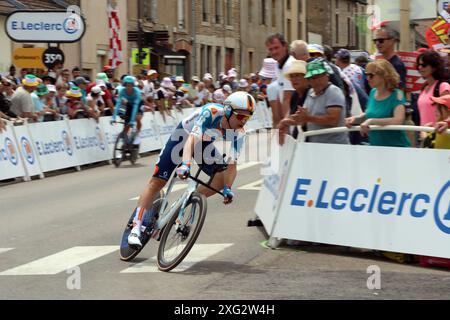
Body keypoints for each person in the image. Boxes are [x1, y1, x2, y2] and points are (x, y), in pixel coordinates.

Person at [126, 91, 256, 247]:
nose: (244, 121)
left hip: (203, 144)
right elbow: (191, 140)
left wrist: (228, 188)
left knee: (221, 179)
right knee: (157, 182)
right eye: (241, 116)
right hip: (183, 137)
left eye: (248, 117)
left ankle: (187, 201)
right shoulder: (212, 112)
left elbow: (232, 165)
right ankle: (136, 228)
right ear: (228, 111)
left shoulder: (239, 133)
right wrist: (185, 165)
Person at [278, 59, 349, 145]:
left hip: (335, 146)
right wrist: (285, 122)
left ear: (326, 76)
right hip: (315, 146)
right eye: (311, 78)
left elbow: (333, 120)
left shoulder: (333, 92)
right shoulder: (310, 93)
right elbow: (303, 119)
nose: (315, 81)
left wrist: (307, 118)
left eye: (318, 76)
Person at [345, 59, 410, 147]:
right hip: (376, 147)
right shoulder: (373, 92)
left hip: (396, 147)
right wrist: (354, 119)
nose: (367, 79)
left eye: (371, 75)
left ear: (384, 76)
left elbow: (398, 120)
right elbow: (370, 114)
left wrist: (371, 121)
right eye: (366, 75)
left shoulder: (397, 94)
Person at [266, 33, 296, 127]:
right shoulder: (278, 65)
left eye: (276, 48)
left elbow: (288, 99)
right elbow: (280, 96)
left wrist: (285, 125)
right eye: (271, 49)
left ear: (285, 46)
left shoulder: (290, 65)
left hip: (293, 118)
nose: (274, 52)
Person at [416, 50, 450, 128]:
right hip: (424, 135)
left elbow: (447, 113)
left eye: (424, 65)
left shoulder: (443, 86)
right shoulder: (424, 88)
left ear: (434, 67)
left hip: (438, 135)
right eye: (418, 65)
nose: (420, 67)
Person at [112, 76, 143, 144]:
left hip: (138, 104)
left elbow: (135, 107)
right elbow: (118, 104)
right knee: (127, 124)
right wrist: (113, 118)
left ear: (133, 85)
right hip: (129, 104)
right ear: (124, 85)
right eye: (127, 85)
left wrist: (132, 121)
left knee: (137, 118)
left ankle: (138, 133)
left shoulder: (136, 92)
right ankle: (125, 142)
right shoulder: (122, 91)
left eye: (130, 85)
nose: (128, 87)